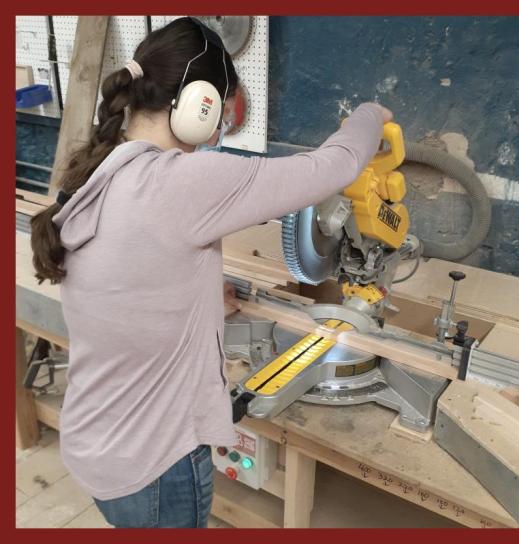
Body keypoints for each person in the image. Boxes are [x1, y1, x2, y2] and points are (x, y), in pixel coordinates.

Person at [29, 17, 391, 527]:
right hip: (157, 464)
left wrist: (196, 300)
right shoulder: (180, 180)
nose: (219, 129)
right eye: (220, 113)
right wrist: (372, 114)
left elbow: (129, 278)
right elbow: (331, 168)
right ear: (201, 105)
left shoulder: (94, 173)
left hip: (95, 443)